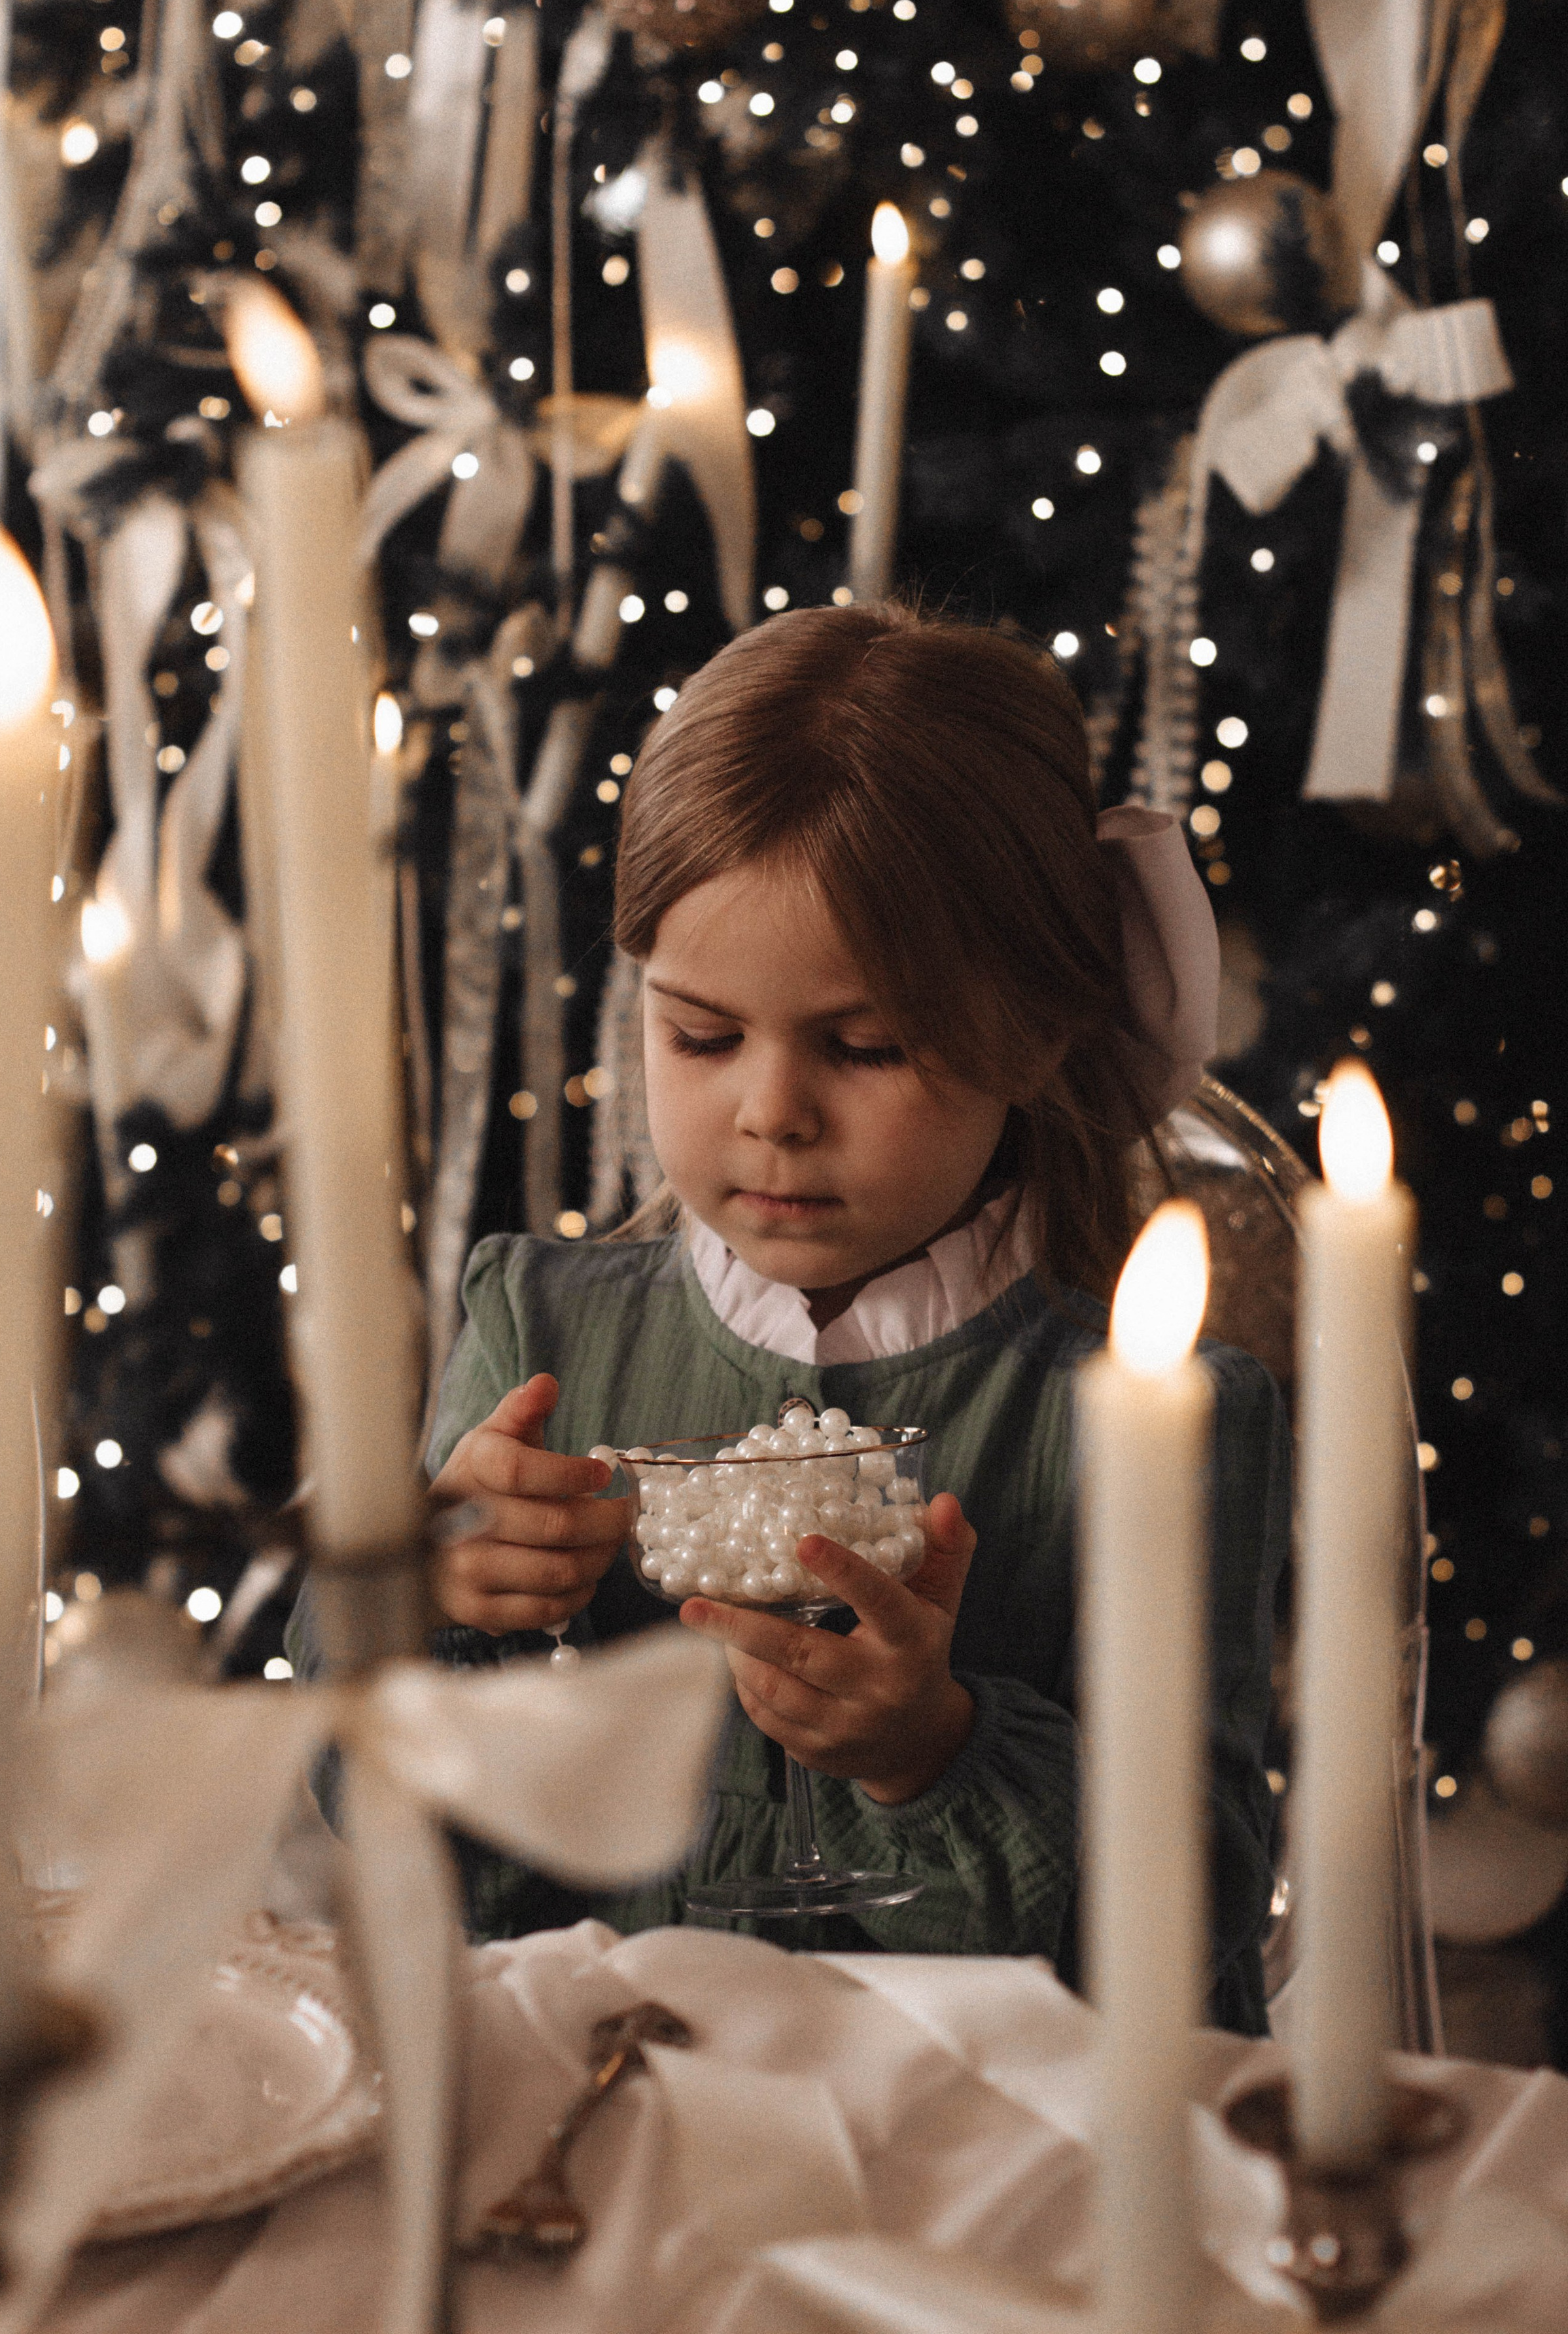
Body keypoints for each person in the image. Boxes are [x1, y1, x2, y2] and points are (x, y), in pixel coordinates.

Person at [323, 602, 1289, 2026]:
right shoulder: (538, 1331)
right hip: (612, 2126)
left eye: (863, 1047)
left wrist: (935, 1754)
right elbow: (371, 1810)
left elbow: (1197, 1903)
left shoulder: (1160, 1417)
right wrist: (434, 1609)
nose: (770, 1113)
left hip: (998, 2151)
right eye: (699, 1035)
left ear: (1024, 1030)